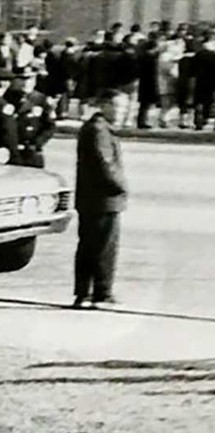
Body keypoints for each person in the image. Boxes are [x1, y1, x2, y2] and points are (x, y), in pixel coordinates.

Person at [73, 89, 128, 309]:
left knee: (89, 245)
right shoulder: (99, 130)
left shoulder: (96, 128)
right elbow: (104, 164)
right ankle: (102, 293)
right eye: (118, 106)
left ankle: (83, 293)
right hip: (104, 198)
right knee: (104, 247)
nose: (123, 112)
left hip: (91, 198)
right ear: (104, 105)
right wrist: (122, 186)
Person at [3, 67, 55, 168]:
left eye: (30, 79)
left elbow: (50, 126)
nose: (26, 83)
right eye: (22, 79)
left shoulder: (41, 100)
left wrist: (37, 143)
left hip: (31, 151)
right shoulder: (6, 99)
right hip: (10, 151)